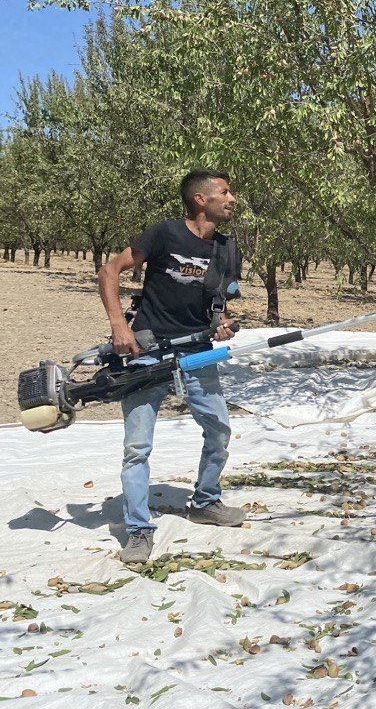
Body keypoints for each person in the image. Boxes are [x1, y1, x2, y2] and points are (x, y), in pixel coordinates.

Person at [98, 169, 246, 565]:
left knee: (219, 431)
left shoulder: (228, 249)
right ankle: (138, 530)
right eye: (225, 192)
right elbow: (109, 271)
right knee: (137, 447)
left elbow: (218, 305)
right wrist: (118, 326)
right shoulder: (163, 234)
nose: (233, 199)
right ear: (201, 199)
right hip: (148, 349)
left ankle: (205, 502)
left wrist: (222, 324)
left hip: (197, 353)